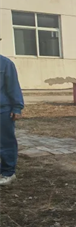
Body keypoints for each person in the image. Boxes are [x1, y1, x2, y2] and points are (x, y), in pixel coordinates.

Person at [0, 54, 24, 186]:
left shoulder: (5, 63)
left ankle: (8, 172)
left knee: (5, 142)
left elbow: (13, 86)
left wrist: (17, 107)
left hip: (2, 110)